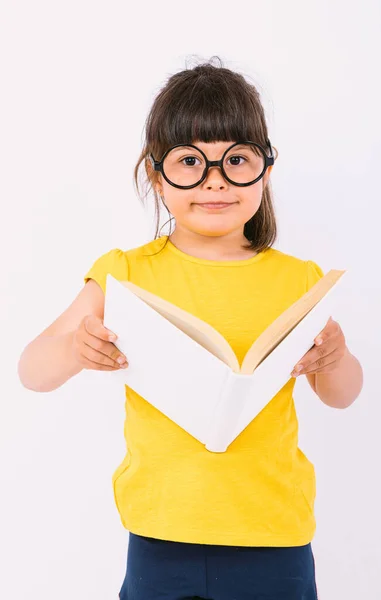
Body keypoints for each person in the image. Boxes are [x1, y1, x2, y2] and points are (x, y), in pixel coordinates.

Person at [18, 56, 358, 600]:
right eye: (190, 163)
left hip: (274, 534)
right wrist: (77, 349)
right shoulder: (125, 272)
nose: (215, 183)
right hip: (159, 532)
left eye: (237, 161)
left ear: (265, 170)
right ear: (156, 174)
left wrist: (335, 359)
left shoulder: (299, 280)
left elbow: (342, 396)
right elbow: (32, 371)